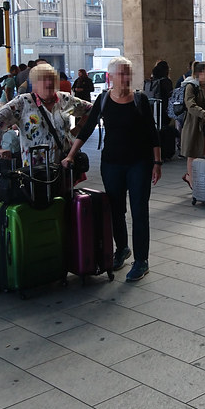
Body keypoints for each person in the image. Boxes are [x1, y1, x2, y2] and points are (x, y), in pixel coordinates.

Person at [64, 57, 161, 283]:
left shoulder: (140, 100)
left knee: (139, 211)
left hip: (139, 163)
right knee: (116, 210)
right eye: (121, 74)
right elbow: (87, 129)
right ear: (111, 77)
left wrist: (157, 163)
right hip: (111, 164)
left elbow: (152, 132)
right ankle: (122, 249)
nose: (126, 78)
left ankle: (141, 260)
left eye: (128, 73)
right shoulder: (104, 99)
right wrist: (70, 155)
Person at [0, 63, 91, 168]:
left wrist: (78, 128)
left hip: (64, 165)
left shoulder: (65, 99)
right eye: (44, 80)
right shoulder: (22, 102)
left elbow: (91, 110)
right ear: (35, 83)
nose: (49, 83)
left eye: (52, 79)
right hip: (35, 167)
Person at [180, 62, 205, 187]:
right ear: (199, 73)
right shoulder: (191, 86)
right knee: (193, 153)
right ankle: (192, 181)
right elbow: (190, 105)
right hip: (194, 125)